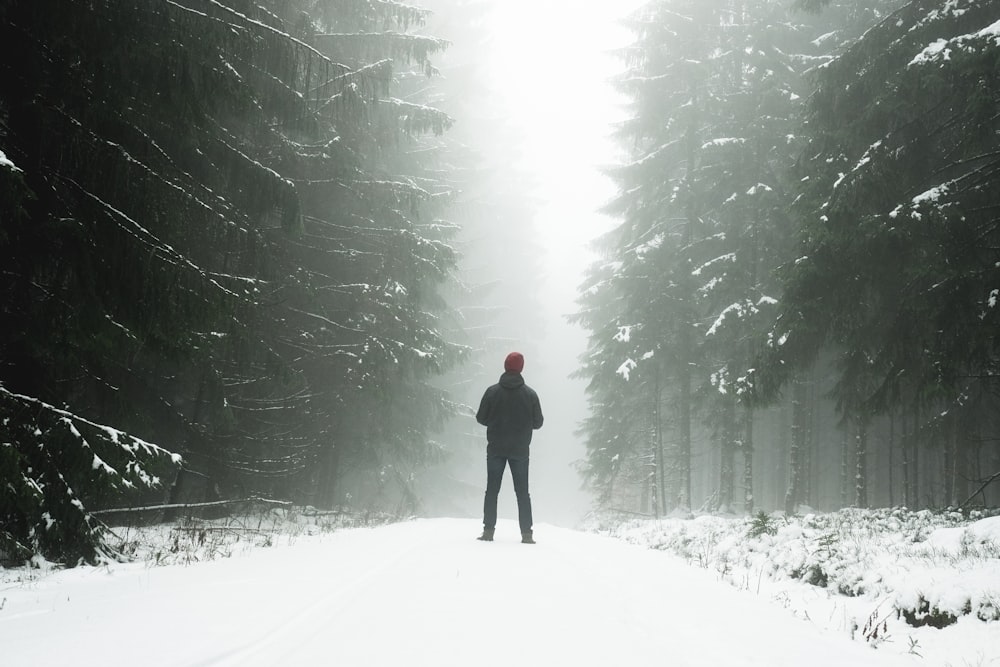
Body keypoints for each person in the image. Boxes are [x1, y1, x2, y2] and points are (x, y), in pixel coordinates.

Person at [475, 351, 544, 544]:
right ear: (521, 368)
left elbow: (481, 418)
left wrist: (496, 421)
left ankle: (488, 531)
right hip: (520, 451)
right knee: (522, 493)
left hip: (496, 448)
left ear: (505, 366)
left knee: (492, 491)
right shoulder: (530, 394)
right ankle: (527, 534)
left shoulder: (492, 392)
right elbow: (538, 423)